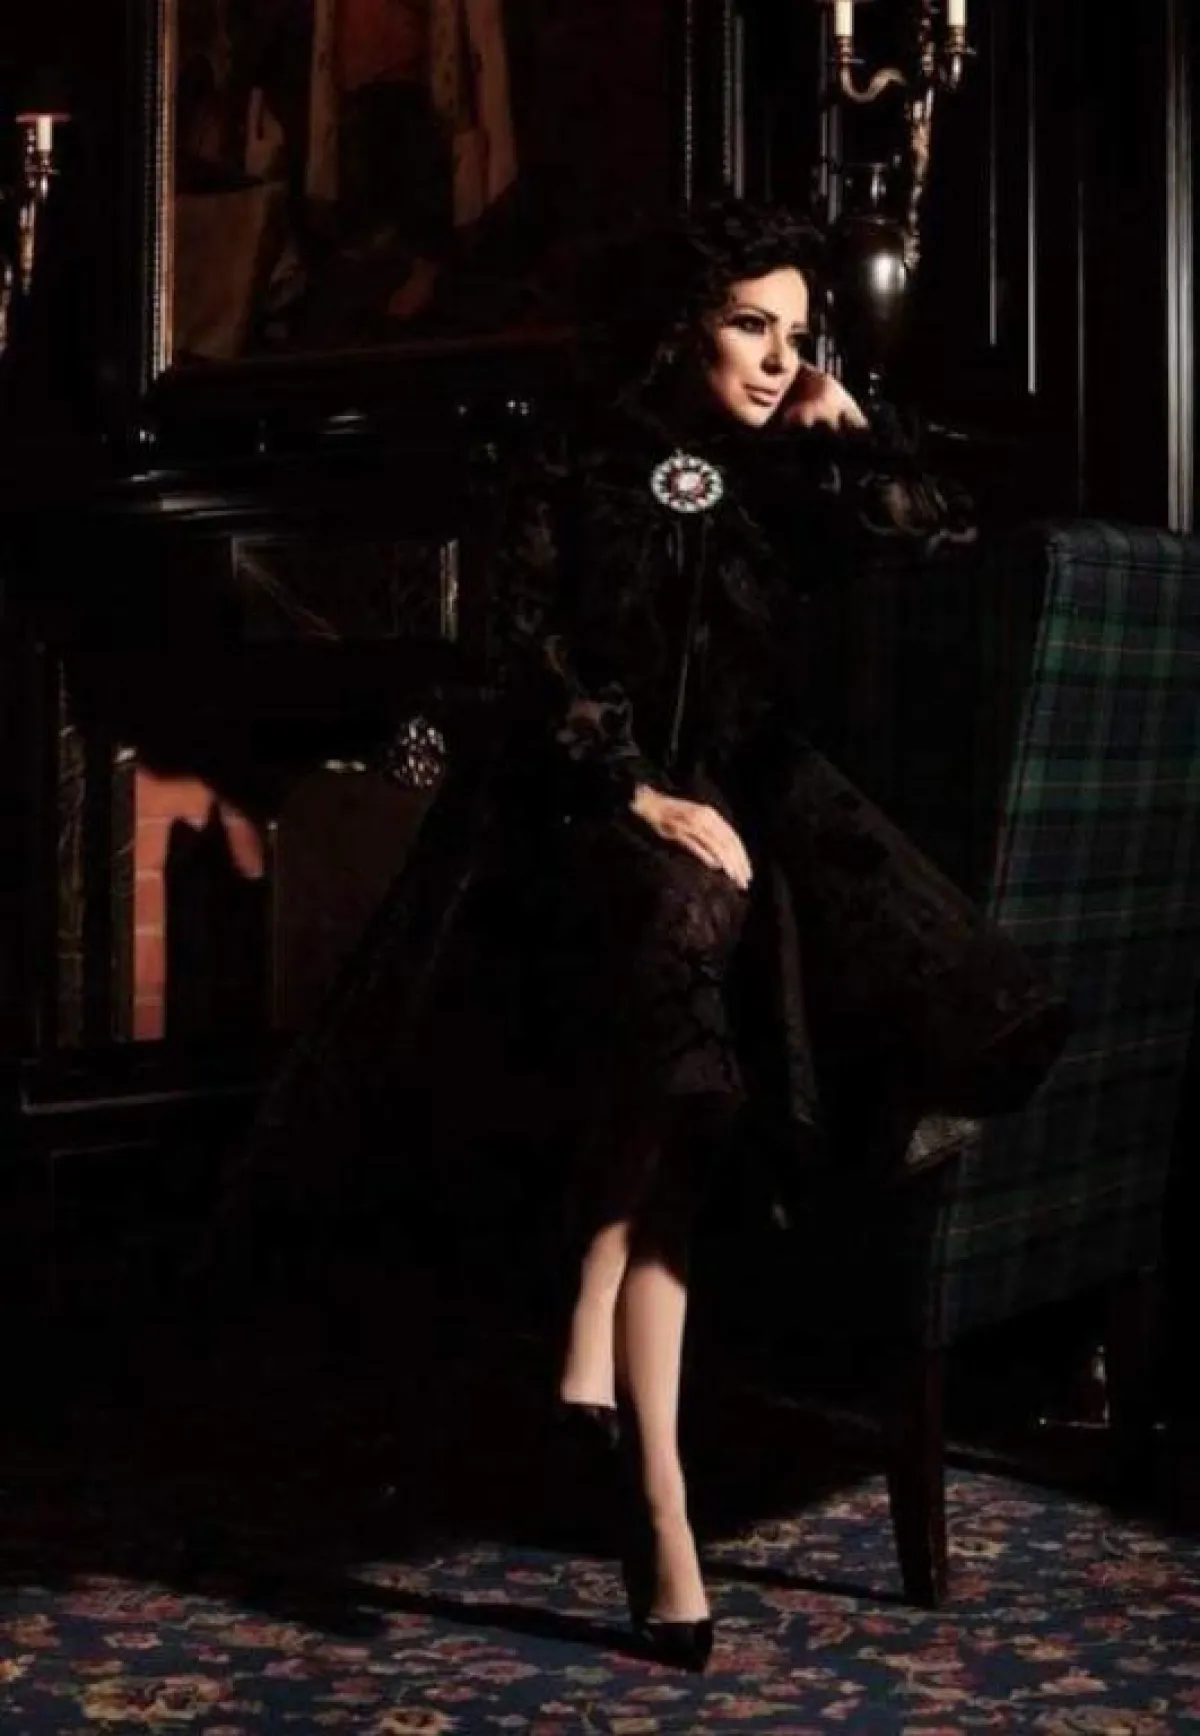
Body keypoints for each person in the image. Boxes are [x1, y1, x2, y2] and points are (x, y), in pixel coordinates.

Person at [203, 199, 1069, 1673]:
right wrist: (636, 791)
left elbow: (939, 525)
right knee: (684, 918)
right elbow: (520, 657)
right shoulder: (566, 456)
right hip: (566, 820)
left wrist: (850, 430)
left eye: (797, 335)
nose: (776, 358)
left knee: (698, 1003)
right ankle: (651, 1489)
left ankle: (640, 1444)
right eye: (751, 327)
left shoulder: (786, 470)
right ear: (681, 327)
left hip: (750, 824)